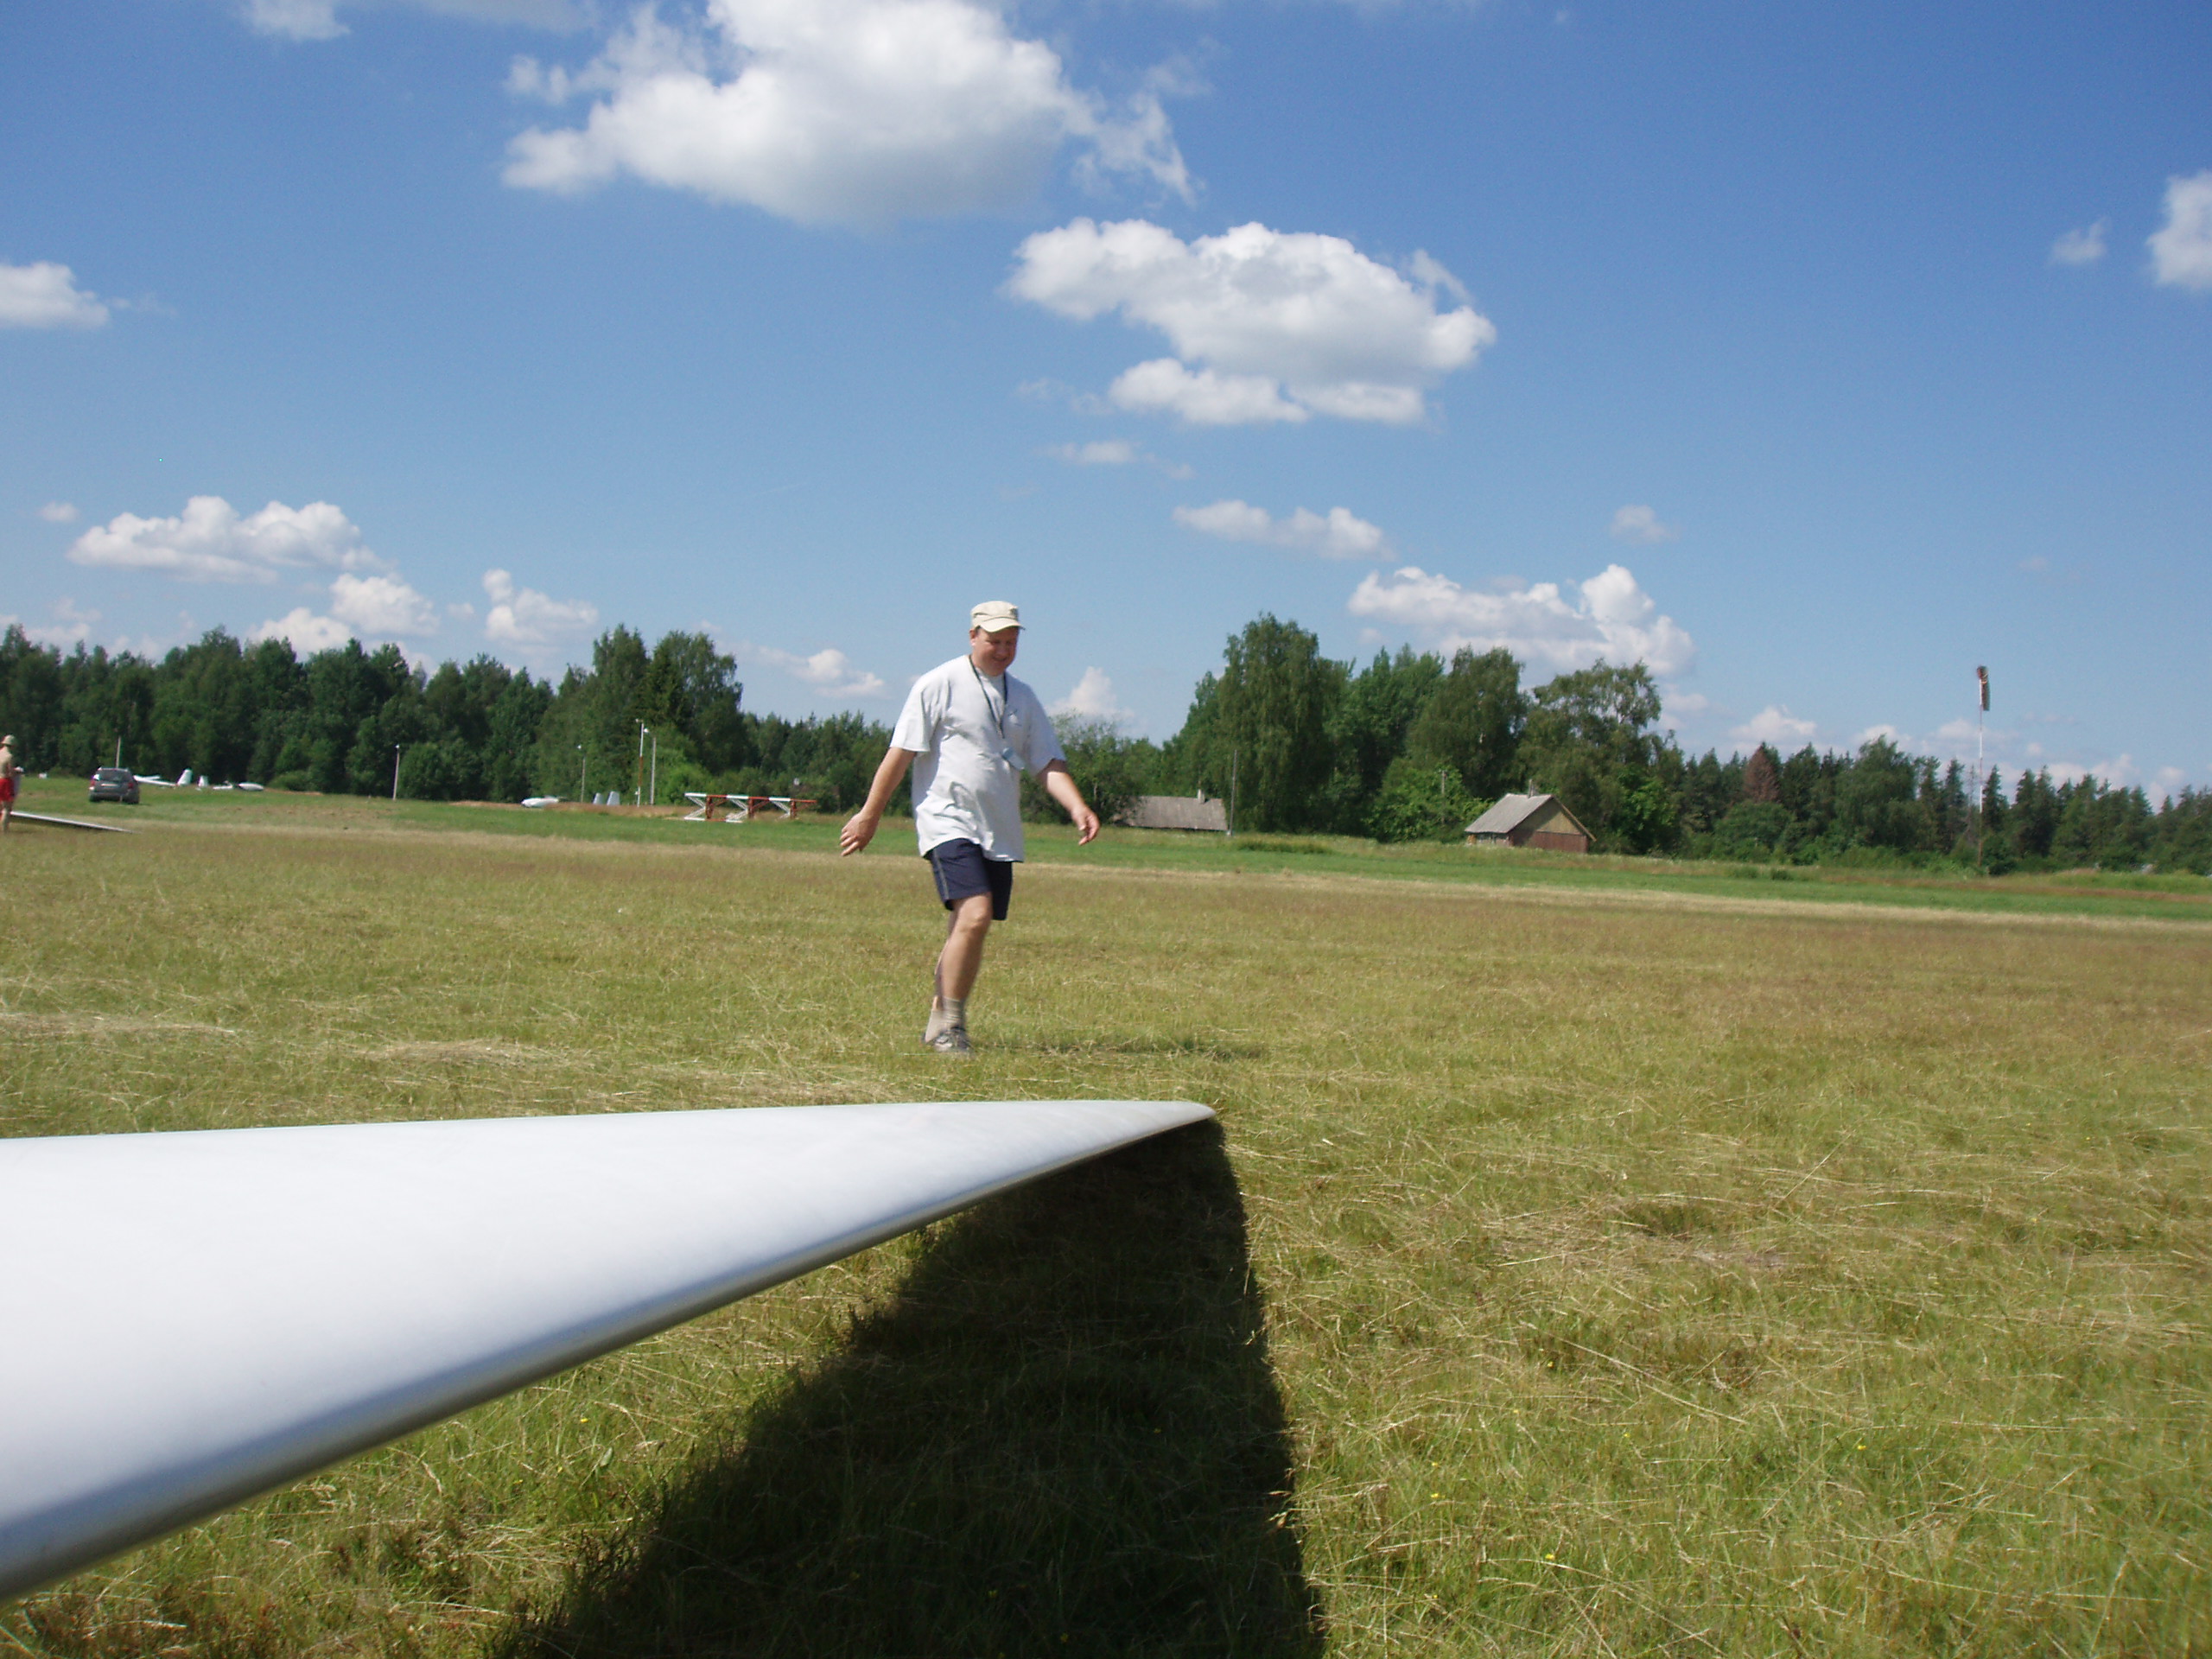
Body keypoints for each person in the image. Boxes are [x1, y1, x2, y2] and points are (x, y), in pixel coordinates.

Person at [840, 601, 1099, 1055]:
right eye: (994, 641)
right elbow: (899, 754)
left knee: (969, 924)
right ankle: (951, 1027)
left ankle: (940, 1016)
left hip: (998, 830)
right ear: (972, 635)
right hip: (947, 819)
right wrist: (870, 814)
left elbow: (1046, 761)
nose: (1003, 651)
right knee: (975, 914)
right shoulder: (939, 684)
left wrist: (1077, 805)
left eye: (1011, 643)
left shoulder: (1023, 697)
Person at [0, 734, 16, 835]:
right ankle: (4, 830)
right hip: (5, 781)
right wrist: (17, 771)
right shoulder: (9, 756)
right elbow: (11, 772)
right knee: (6, 808)